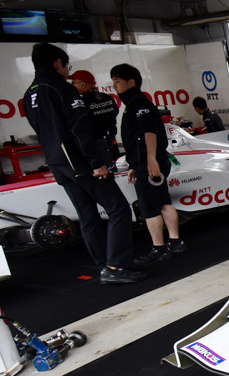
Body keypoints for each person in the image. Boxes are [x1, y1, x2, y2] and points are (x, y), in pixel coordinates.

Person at [22, 44, 144, 285]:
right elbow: (79, 128)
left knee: (87, 214)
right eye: (67, 65)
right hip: (80, 162)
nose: (68, 70)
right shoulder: (62, 88)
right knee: (118, 208)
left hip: (56, 163)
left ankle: (105, 264)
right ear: (57, 63)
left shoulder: (29, 94)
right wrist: (96, 162)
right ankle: (117, 266)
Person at [111, 63, 186, 264]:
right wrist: (134, 165)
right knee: (163, 202)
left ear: (131, 82)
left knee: (149, 208)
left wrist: (150, 161)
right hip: (150, 162)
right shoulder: (135, 103)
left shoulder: (138, 103)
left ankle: (158, 248)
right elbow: (137, 139)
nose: (114, 86)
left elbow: (148, 132)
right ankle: (175, 242)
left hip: (151, 163)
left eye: (117, 81)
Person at [68, 69, 120, 161]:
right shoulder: (107, 97)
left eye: (73, 82)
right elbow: (115, 113)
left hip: (95, 148)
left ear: (83, 84)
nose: (72, 85)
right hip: (112, 143)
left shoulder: (82, 103)